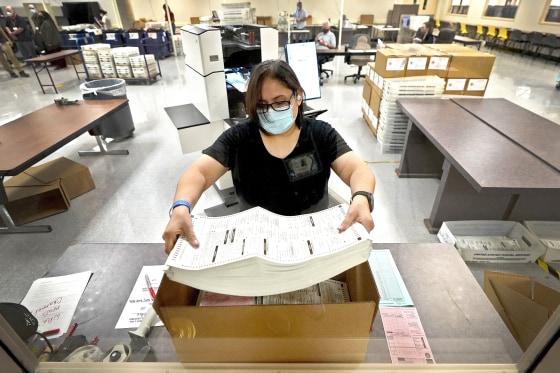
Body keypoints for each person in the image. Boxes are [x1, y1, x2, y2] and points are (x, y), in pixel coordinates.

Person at [162, 59, 376, 254]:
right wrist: (181, 206)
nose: (271, 110)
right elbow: (198, 172)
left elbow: (357, 169)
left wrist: (362, 197)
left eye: (280, 101)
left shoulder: (320, 134)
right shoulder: (239, 138)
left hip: (313, 238)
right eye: (262, 105)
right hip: (258, 243)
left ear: (298, 96)